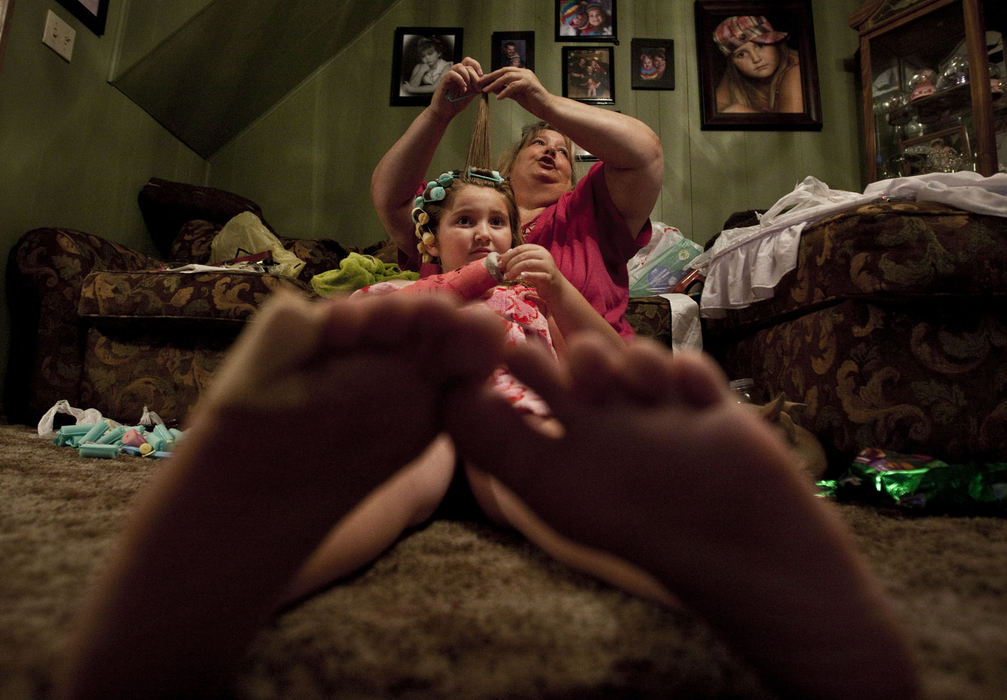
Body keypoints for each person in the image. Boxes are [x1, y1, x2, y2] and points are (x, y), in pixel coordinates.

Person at [54, 291, 921, 699]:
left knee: (544, 497)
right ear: (431, 236)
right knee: (401, 487)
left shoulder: (538, 302)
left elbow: (601, 358)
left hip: (530, 428)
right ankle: (237, 577)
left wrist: (560, 309)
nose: (481, 233)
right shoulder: (410, 294)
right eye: (462, 220)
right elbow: (360, 352)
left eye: (495, 220)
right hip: (413, 426)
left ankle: (718, 579)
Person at [371, 57, 663, 342]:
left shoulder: (591, 211)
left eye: (563, 152)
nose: (551, 152)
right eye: (539, 143)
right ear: (509, 165)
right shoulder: (451, 208)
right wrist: (437, 114)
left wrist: (545, 103)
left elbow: (644, 154)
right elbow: (392, 200)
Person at [713, 15, 803, 113]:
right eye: (741, 54)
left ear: (775, 43)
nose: (756, 59)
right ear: (733, 63)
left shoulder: (795, 69)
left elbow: (793, 126)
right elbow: (717, 107)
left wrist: (741, 111)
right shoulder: (734, 75)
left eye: (761, 45)